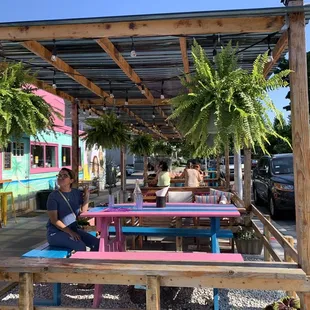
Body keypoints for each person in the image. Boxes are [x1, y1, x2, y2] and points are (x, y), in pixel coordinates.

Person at [46, 168, 99, 252]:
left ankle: (91, 263)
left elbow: (83, 212)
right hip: (55, 233)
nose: (61, 177)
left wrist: (87, 196)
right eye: (59, 175)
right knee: (80, 246)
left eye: (64, 175)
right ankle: (79, 265)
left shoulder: (76, 193)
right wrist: (70, 232)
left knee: (96, 243)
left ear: (71, 180)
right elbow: (54, 221)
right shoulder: (53, 196)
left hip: (73, 230)